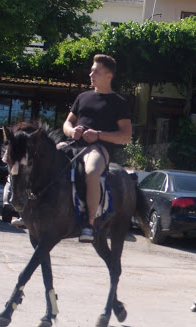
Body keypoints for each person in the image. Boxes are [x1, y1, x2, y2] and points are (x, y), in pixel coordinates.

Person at [62, 54, 132, 242]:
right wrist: (71, 132)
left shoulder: (119, 103)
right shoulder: (82, 97)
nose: (91, 74)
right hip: (74, 144)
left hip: (98, 149)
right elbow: (67, 123)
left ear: (109, 76)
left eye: (96, 71)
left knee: (92, 171)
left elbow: (126, 136)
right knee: (43, 156)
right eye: (92, 70)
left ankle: (89, 222)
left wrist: (98, 135)